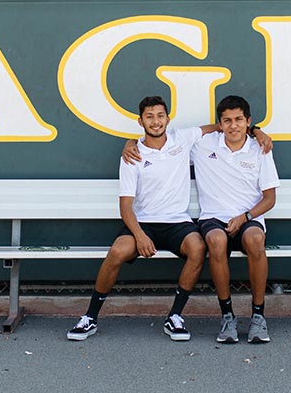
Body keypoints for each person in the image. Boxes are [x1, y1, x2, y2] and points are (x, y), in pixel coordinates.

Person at [68, 96, 227, 342]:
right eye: (150, 117)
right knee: (118, 251)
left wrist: (257, 132)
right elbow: (126, 207)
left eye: (160, 115)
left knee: (198, 248)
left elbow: (221, 126)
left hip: (177, 223)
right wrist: (140, 236)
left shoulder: (182, 139)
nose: (156, 121)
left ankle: (175, 316)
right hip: (143, 224)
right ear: (140, 121)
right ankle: (90, 317)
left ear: (168, 118)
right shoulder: (132, 155)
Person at [192, 95, 278, 344]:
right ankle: (227, 316)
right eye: (227, 121)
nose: (233, 126)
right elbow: (164, 140)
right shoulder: (204, 145)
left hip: (248, 217)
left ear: (248, 122)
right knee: (216, 241)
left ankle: (258, 317)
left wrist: (245, 217)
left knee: (255, 239)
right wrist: (131, 142)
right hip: (213, 218)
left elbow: (270, 198)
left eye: (239, 120)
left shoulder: (260, 149)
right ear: (219, 124)